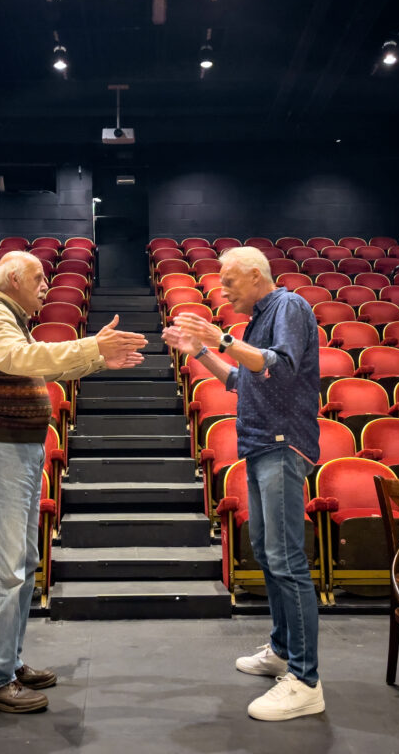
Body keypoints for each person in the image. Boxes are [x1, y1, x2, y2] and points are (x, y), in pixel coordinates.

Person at [0, 250, 147, 713]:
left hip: (18, 450)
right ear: (16, 277)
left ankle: (8, 661)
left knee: (21, 563)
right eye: (40, 277)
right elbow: (19, 359)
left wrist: (97, 358)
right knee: (6, 570)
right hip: (2, 449)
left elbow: (45, 365)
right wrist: (91, 349)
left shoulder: (11, 317)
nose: (47, 284)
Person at [162, 246, 324, 721]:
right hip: (259, 444)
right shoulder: (260, 317)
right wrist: (203, 353)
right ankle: (281, 649)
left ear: (256, 276)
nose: (223, 289)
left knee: (287, 559)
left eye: (229, 281)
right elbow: (240, 378)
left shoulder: (289, 306)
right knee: (269, 553)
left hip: (282, 443)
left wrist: (224, 338)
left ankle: (305, 679)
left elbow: (281, 365)